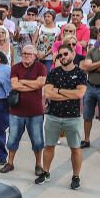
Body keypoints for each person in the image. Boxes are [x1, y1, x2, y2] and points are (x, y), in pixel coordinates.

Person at [37, 44, 87, 189]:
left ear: (73, 54)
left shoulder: (81, 73)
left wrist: (57, 91)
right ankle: (45, 172)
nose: (63, 57)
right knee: (49, 146)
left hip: (73, 117)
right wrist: (68, 94)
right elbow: (47, 93)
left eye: (65, 54)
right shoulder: (53, 72)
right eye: (60, 55)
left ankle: (76, 176)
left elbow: (79, 94)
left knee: (75, 148)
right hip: (53, 116)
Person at [3, 46, 46, 175]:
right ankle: (10, 163)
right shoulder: (15, 67)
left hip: (35, 112)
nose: (26, 56)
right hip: (17, 111)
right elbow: (14, 85)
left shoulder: (40, 67)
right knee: (12, 139)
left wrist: (22, 82)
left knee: (38, 141)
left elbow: (40, 84)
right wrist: (32, 85)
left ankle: (38, 165)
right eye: (24, 53)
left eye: (29, 54)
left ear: (35, 55)